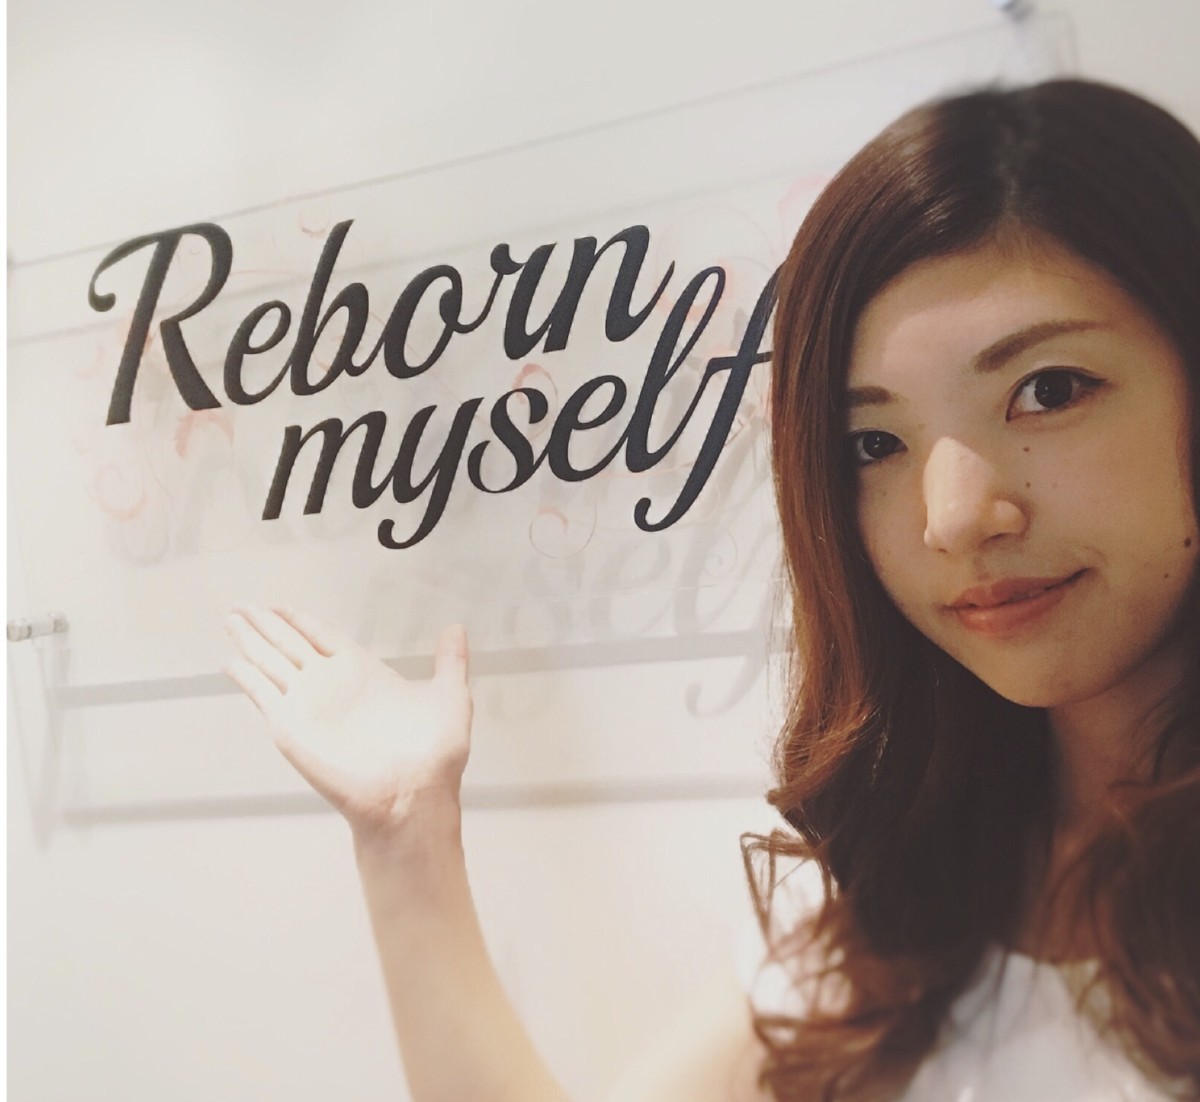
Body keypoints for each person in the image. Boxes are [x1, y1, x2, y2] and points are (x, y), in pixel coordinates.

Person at [223, 77, 1200, 1101]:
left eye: (1048, 390)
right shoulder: (907, 905)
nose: (953, 516)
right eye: (873, 443)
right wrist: (405, 831)